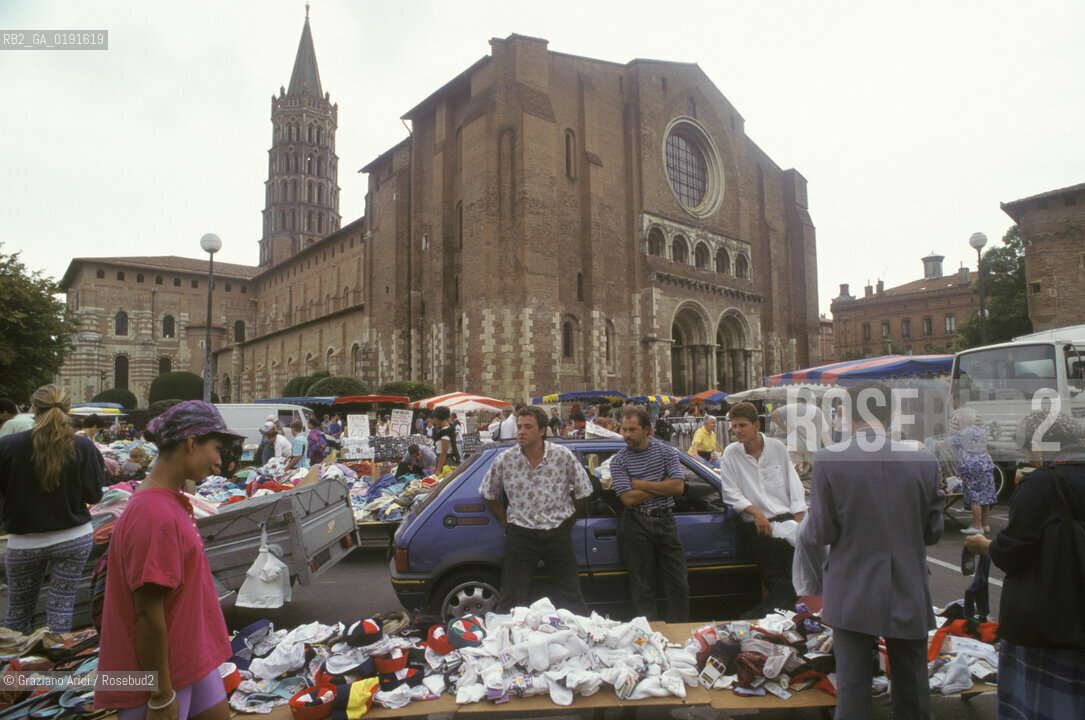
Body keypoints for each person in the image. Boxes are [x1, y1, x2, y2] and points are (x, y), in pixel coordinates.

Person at [802, 381, 944, 720]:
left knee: (852, 688)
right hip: (907, 582)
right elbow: (933, 532)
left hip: (851, 583)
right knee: (913, 684)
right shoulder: (924, 459)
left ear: (847, 414)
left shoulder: (828, 459)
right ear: (892, 413)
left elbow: (821, 532)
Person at [96, 400, 243, 720]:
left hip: (187, 659)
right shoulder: (153, 514)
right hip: (155, 680)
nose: (218, 462)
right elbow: (147, 614)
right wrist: (161, 696)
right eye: (216, 448)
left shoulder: (170, 500)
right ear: (192, 443)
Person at [965, 411, 1085, 718]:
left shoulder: (1042, 484)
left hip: (1051, 617)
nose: (1023, 451)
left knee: (1046, 701)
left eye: (1025, 444)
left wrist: (985, 546)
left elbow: (1013, 552)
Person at [0, 384, 105, 634]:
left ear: (34, 408)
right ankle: (54, 670)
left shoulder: (7, 446)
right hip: (72, 537)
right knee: (61, 609)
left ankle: (13, 670)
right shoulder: (83, 446)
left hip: (23, 541)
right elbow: (94, 494)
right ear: (68, 409)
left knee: (17, 612)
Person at [480, 406, 591, 613]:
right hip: (521, 535)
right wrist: (506, 522)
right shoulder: (505, 460)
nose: (521, 431)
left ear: (542, 431)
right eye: (519, 426)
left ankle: (580, 637)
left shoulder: (562, 456)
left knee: (570, 596)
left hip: (557, 533)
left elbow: (583, 491)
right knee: (511, 598)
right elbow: (488, 493)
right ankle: (508, 639)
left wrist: (570, 520)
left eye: (528, 427)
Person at [718, 401, 806, 619]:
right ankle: (763, 618)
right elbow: (730, 492)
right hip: (759, 526)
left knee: (798, 580)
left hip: (787, 522)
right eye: (734, 426)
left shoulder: (777, 448)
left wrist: (798, 522)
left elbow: (794, 485)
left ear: (756, 425)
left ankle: (764, 617)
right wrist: (756, 513)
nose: (737, 431)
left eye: (742, 426)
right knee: (778, 580)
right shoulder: (731, 453)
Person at [610, 406, 689, 622]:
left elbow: (678, 487)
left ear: (647, 429)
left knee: (678, 583)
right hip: (635, 523)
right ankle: (652, 634)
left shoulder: (666, 452)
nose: (626, 435)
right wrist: (662, 484)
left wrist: (639, 484)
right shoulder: (618, 461)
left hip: (665, 520)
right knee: (642, 586)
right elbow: (627, 499)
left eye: (632, 430)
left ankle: (678, 631)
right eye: (624, 429)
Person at [950, 406, 997, 535]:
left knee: (975, 495)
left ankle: (977, 526)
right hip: (986, 463)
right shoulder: (981, 431)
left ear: (962, 421)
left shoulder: (961, 433)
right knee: (985, 495)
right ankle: (985, 524)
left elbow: (950, 444)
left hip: (971, 466)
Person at [432, 406, 460, 471]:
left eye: (434, 418)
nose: (433, 420)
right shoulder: (448, 429)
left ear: (437, 418)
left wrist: (438, 470)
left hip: (445, 462)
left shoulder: (445, 431)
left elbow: (444, 451)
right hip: (445, 461)